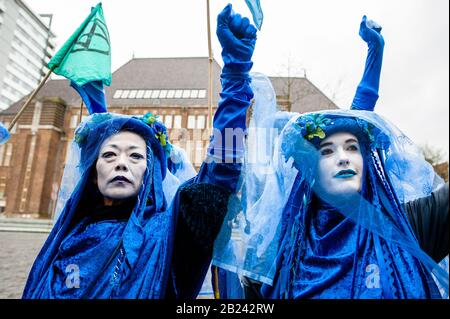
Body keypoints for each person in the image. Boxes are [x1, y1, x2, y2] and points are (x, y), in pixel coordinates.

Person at [22, 4, 258, 299]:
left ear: (150, 174)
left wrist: (235, 78)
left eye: (135, 156)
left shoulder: (170, 236)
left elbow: (220, 174)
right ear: (92, 174)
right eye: (109, 155)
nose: (122, 163)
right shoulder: (66, 236)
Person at [211, 15, 449, 299]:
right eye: (326, 151)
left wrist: (375, 59)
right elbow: (220, 175)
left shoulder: (406, 226)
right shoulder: (277, 253)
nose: (343, 158)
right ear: (309, 170)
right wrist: (235, 80)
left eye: (352, 148)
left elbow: (355, 119)